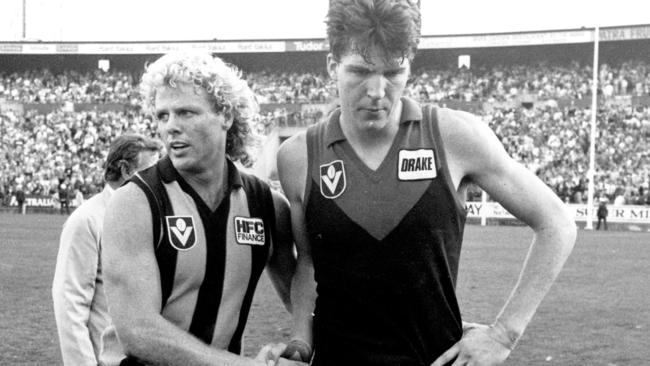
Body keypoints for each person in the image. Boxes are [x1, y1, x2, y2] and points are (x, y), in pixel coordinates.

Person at [275, 1, 577, 365]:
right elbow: (308, 264)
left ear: (410, 68)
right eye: (359, 71)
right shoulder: (298, 156)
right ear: (331, 66)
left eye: (393, 72)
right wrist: (300, 342)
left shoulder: (454, 136)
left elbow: (556, 222)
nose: (376, 90)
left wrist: (503, 334)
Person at [100, 52, 299, 366]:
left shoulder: (267, 205)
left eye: (186, 113)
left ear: (226, 116)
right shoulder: (136, 202)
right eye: (162, 115)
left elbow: (299, 297)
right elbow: (138, 331)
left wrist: (300, 346)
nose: (171, 128)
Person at [52, 134, 162, 366]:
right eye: (151, 171)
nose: (158, 179)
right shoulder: (86, 220)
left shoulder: (153, 215)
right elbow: (70, 302)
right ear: (125, 169)